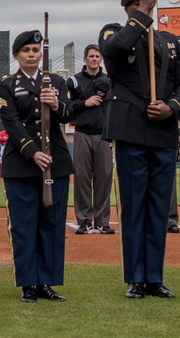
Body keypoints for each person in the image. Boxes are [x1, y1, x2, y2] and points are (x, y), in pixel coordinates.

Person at [100, 0, 180, 300]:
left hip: (162, 129)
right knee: (134, 207)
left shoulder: (168, 42)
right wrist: (142, 13)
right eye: (141, 3)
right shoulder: (115, 35)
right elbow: (117, 48)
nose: (149, 7)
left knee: (158, 208)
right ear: (128, 6)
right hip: (131, 130)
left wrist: (173, 107)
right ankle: (135, 278)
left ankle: (154, 277)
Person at [0, 29, 74, 303]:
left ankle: (47, 282)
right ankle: (28, 283)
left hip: (55, 162)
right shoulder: (7, 84)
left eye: (35, 51)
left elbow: (69, 113)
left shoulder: (54, 81)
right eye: (26, 51)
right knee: (24, 224)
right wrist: (33, 152)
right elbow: (12, 123)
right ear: (17, 55)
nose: (32, 55)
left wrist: (55, 103)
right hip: (21, 164)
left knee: (51, 225)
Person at [67, 44, 115, 234]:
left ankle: (103, 222)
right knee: (82, 178)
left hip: (104, 135)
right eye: (91, 56)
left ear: (101, 59)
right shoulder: (74, 81)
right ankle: (84, 221)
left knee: (104, 178)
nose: (94, 59)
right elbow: (66, 105)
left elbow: (115, 107)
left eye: (97, 56)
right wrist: (84, 103)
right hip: (82, 133)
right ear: (85, 59)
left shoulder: (109, 81)